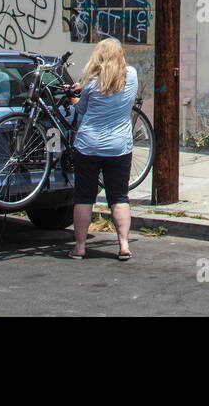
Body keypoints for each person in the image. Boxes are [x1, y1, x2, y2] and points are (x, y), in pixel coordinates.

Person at [67, 38, 139, 260]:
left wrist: (73, 97)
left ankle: (79, 247)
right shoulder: (132, 76)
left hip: (89, 145)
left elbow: (81, 109)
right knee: (119, 196)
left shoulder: (91, 84)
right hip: (119, 147)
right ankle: (124, 245)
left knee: (84, 197)